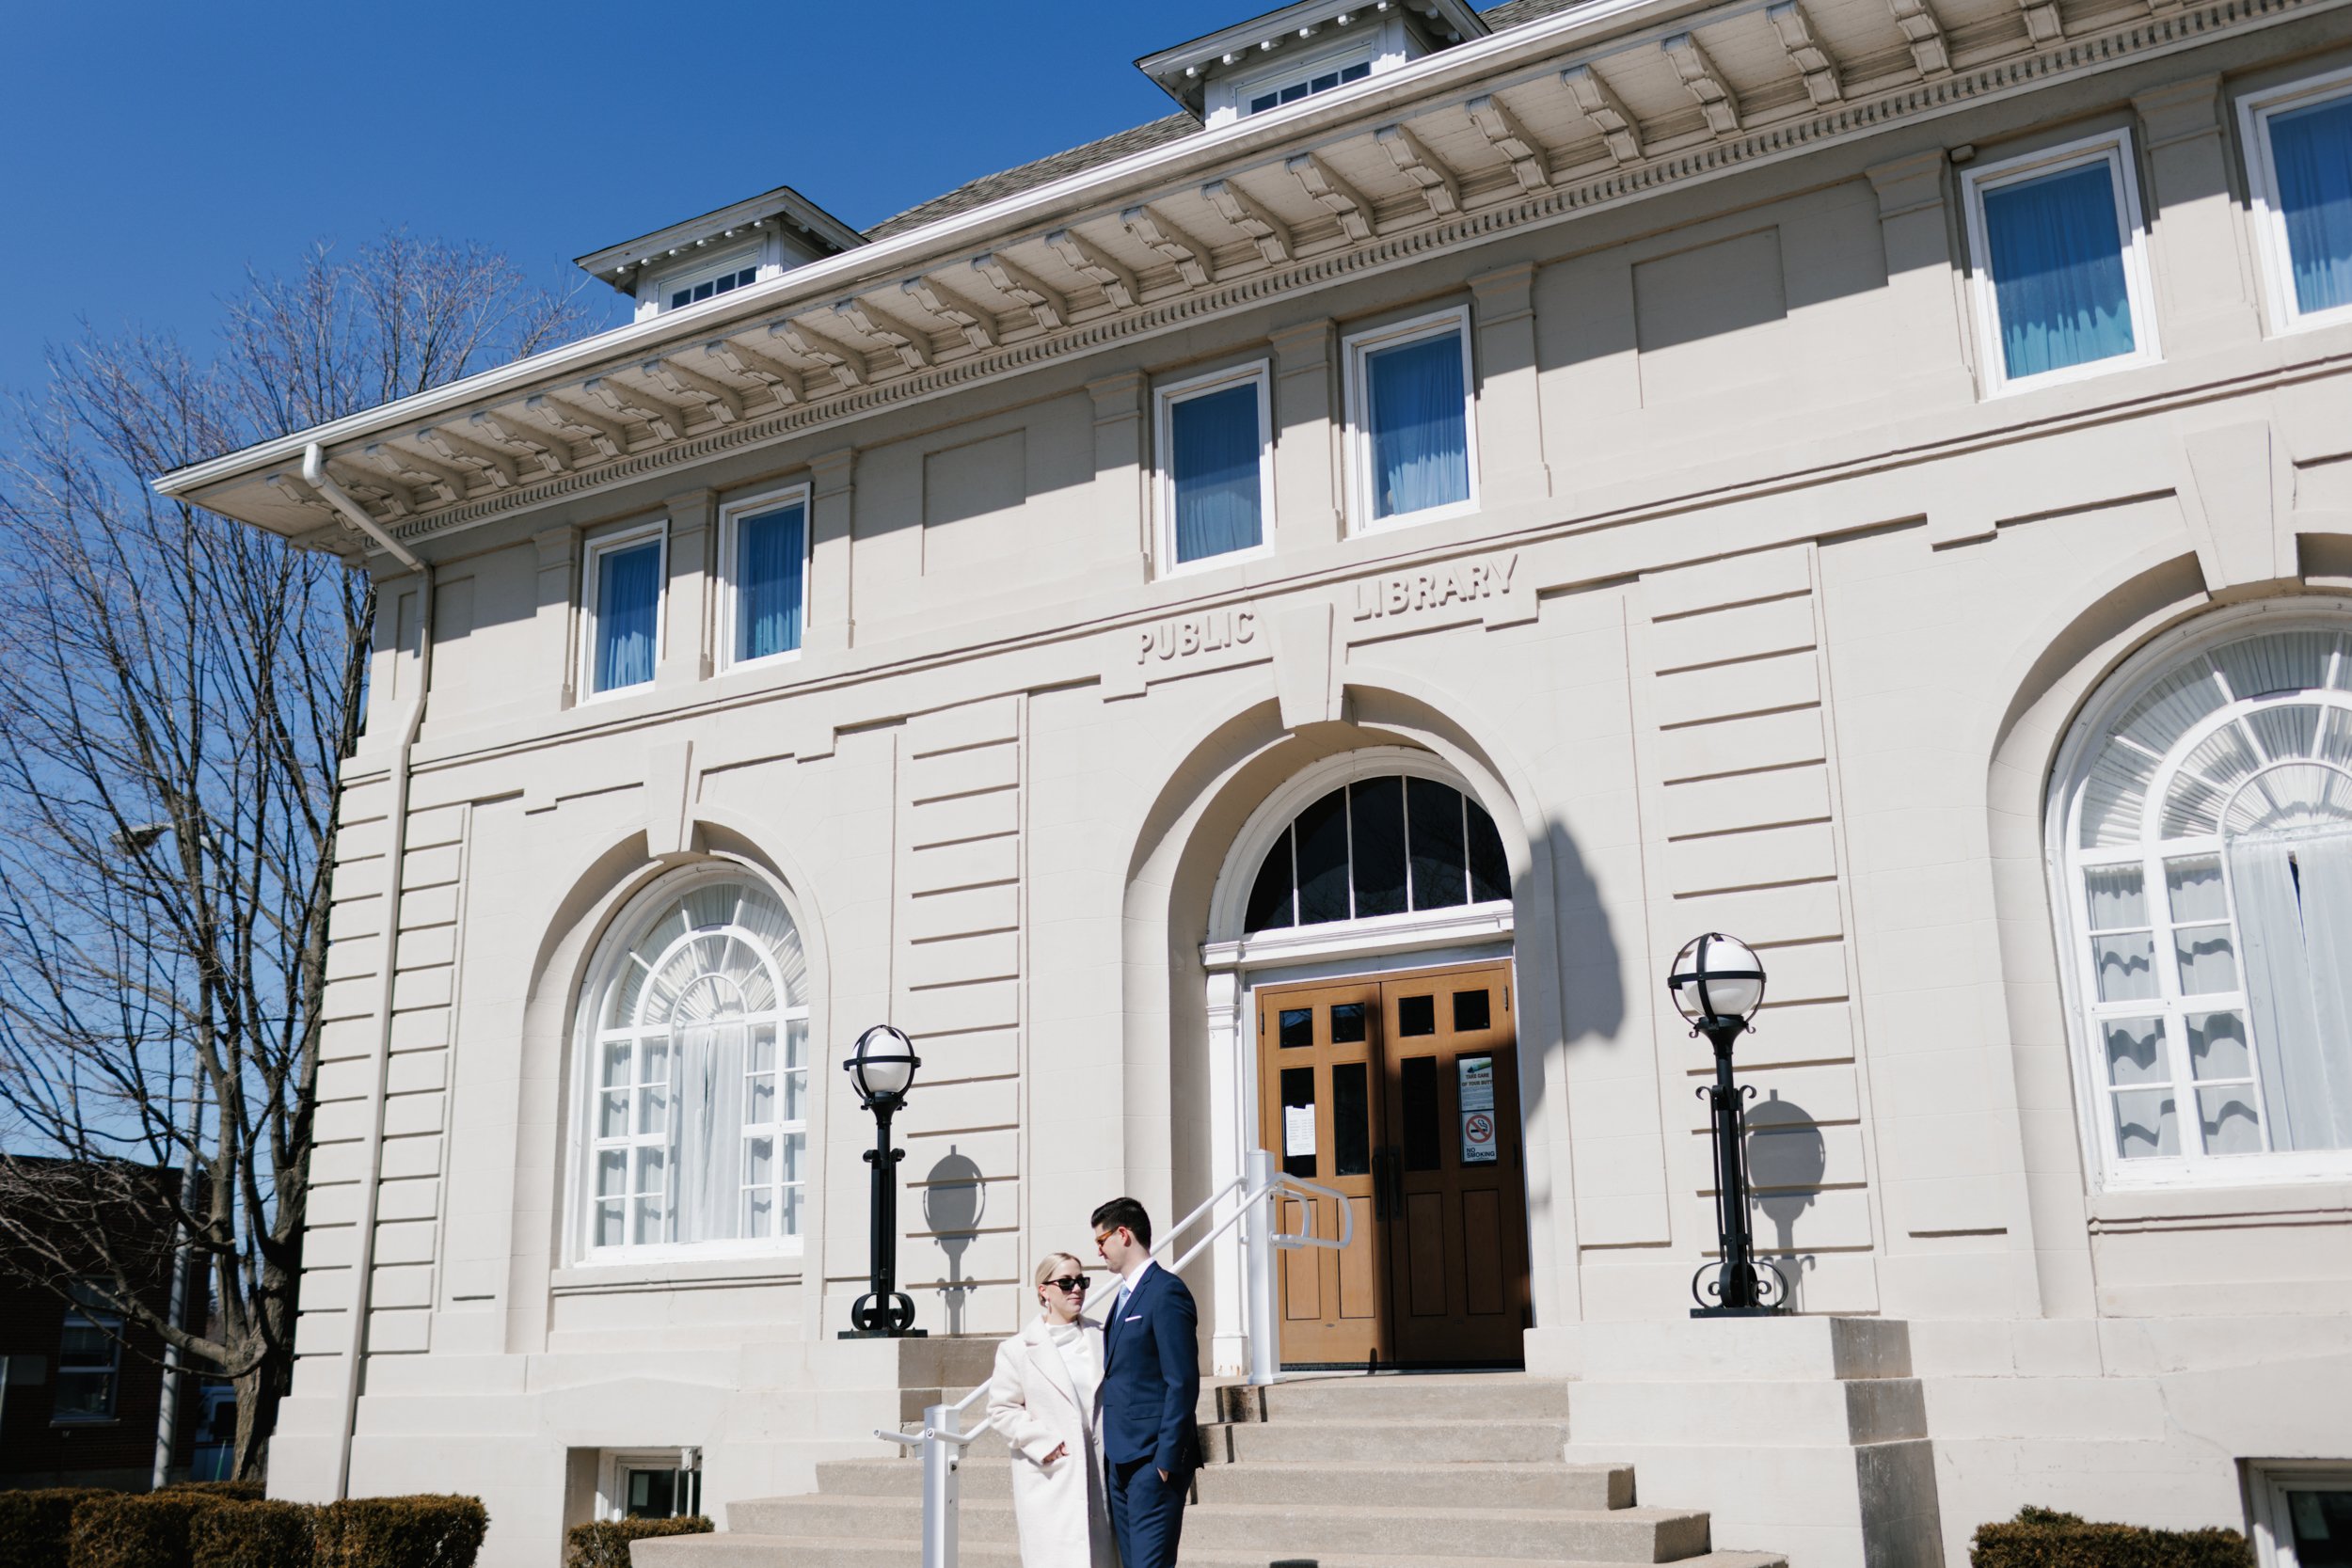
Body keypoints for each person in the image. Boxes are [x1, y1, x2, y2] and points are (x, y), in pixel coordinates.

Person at [986, 1253, 1117, 1568]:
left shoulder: (1103, 1337)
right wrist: (1043, 1443)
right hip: (1052, 1477)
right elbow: (1001, 1409)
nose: (1077, 1290)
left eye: (1081, 1281)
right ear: (1043, 1290)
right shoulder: (1017, 1350)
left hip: (1103, 1472)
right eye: (1066, 1282)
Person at [1091, 1196, 1199, 1568]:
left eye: (1101, 1241)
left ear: (1123, 1234)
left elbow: (1182, 1382)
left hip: (1153, 1461)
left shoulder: (1166, 1291)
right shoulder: (1120, 1297)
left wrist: (1165, 1460)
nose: (1099, 1251)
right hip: (1120, 1459)